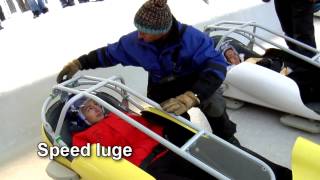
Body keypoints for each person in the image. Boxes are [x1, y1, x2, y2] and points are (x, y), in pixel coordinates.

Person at [57, 0, 238, 145]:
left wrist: (191, 97)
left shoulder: (192, 38)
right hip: (161, 85)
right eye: (138, 29)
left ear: (162, 31)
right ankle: (186, 147)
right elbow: (107, 54)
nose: (139, 35)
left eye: (144, 32)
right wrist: (79, 63)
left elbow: (216, 64)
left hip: (194, 81)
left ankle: (227, 137)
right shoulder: (136, 42)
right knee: (169, 120)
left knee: (214, 102)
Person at [68, 97, 292, 180]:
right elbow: (86, 158)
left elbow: (153, 121)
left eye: (96, 104)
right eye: (89, 108)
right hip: (149, 166)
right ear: (81, 118)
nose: (96, 108)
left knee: (223, 157)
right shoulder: (83, 138)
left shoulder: (123, 115)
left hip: (172, 146)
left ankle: (281, 176)